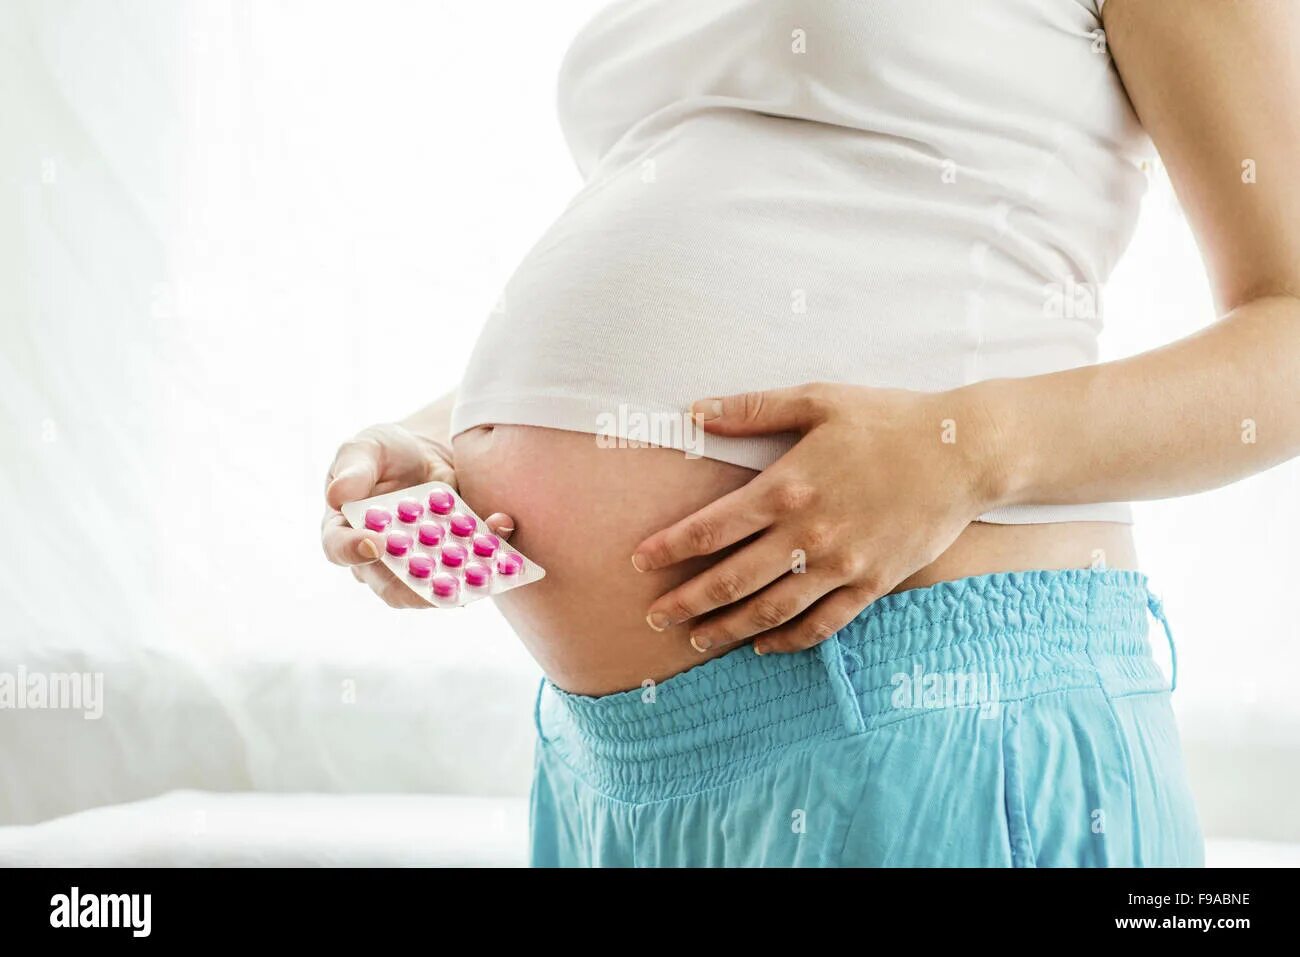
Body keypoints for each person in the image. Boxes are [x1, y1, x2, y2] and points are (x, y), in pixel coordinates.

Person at [321, 0, 1299, 866]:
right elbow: (733, 274)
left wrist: (966, 447)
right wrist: (454, 440)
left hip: (925, 706)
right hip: (608, 777)